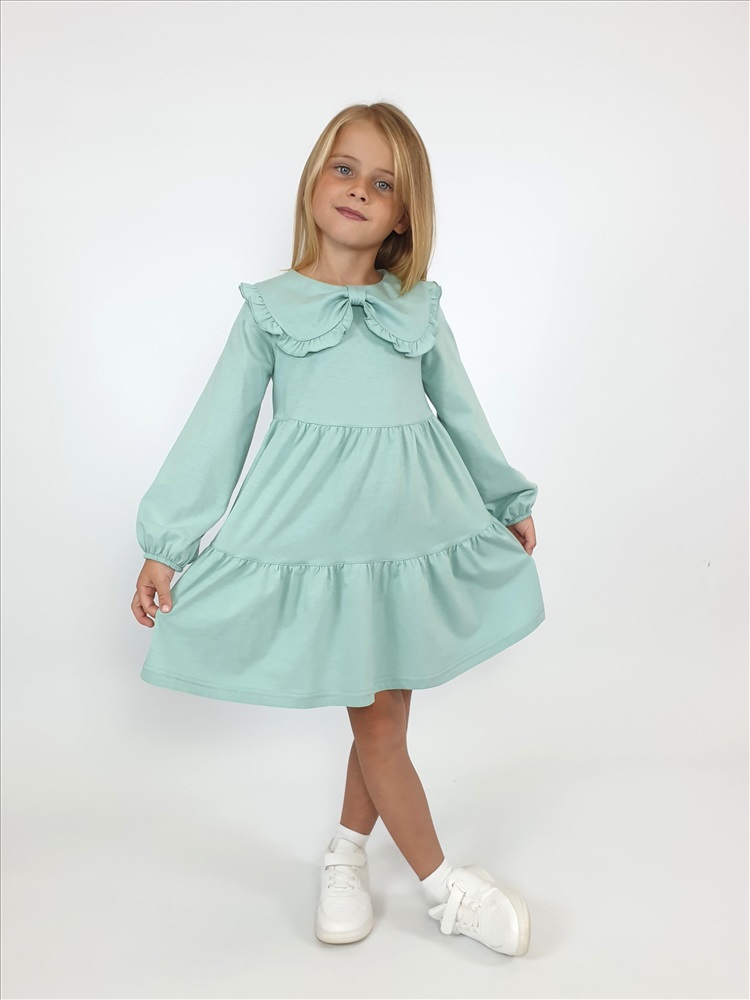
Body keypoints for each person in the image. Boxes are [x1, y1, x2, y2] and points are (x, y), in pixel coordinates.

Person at [131, 102, 545, 957]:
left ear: (403, 217)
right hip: (322, 543)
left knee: (383, 709)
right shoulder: (270, 310)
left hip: (407, 541)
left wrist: (505, 499)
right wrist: (168, 543)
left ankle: (348, 850)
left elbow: (462, 411)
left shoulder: (416, 308)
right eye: (344, 168)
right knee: (381, 722)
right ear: (315, 181)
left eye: (383, 184)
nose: (358, 189)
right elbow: (219, 427)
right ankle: (444, 888)